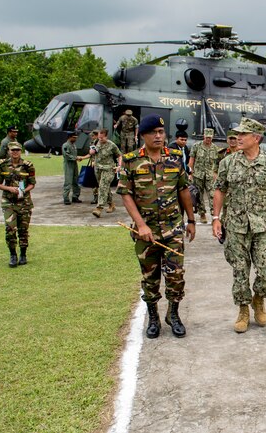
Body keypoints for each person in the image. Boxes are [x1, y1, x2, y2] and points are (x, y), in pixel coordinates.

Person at [117, 114, 196, 339]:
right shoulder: (130, 160)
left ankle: (173, 314)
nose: (159, 136)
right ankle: (153, 317)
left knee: (176, 276)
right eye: (154, 132)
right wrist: (141, 225)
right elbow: (126, 194)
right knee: (150, 278)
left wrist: (190, 220)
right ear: (143, 135)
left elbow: (183, 190)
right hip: (146, 231)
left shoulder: (174, 158)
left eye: (161, 132)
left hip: (173, 228)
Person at [212, 117, 266, 333]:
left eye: (243, 134)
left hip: (262, 226)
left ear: (256, 138)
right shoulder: (227, 162)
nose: (238, 138)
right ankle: (243, 310)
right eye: (237, 134)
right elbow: (220, 189)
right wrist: (215, 218)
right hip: (235, 226)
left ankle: (259, 299)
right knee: (240, 271)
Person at [0, 141, 36, 267]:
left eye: (17, 150)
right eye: (13, 150)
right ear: (8, 151)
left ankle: (23, 254)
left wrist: (23, 191)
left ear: (21, 151)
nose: (15, 152)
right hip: (8, 202)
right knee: (10, 229)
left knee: (23, 230)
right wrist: (9, 189)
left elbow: (32, 183)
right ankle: (13, 254)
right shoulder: (2, 165)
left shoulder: (28, 166)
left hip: (24, 202)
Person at [188, 128, 220, 223]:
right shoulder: (196, 146)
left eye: (210, 138)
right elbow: (191, 159)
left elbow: (216, 162)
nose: (208, 140)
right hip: (198, 175)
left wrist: (215, 173)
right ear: (204, 137)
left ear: (212, 137)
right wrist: (190, 173)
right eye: (206, 138)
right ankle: (202, 214)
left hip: (210, 176)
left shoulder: (215, 148)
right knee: (199, 196)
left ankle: (214, 215)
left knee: (212, 195)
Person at [91, 128, 122, 218]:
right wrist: (91, 152)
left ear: (106, 136)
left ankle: (99, 208)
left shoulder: (111, 145)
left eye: (102, 138)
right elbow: (91, 152)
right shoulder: (96, 142)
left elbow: (119, 155)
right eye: (99, 138)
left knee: (103, 186)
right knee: (104, 187)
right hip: (98, 168)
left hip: (108, 169)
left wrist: (119, 166)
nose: (100, 139)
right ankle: (111, 204)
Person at [62, 131, 84, 204]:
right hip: (68, 165)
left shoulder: (74, 145)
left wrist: (76, 158)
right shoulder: (65, 145)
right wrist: (76, 158)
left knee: (76, 181)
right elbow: (66, 155)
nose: (75, 139)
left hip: (74, 164)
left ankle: (75, 196)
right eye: (74, 137)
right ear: (69, 137)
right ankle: (66, 198)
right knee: (68, 181)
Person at [88, 129, 100, 204]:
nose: (92, 137)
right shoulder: (92, 143)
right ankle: (96, 197)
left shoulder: (100, 143)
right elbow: (91, 153)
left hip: (99, 164)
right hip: (93, 163)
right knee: (94, 182)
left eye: (93, 136)